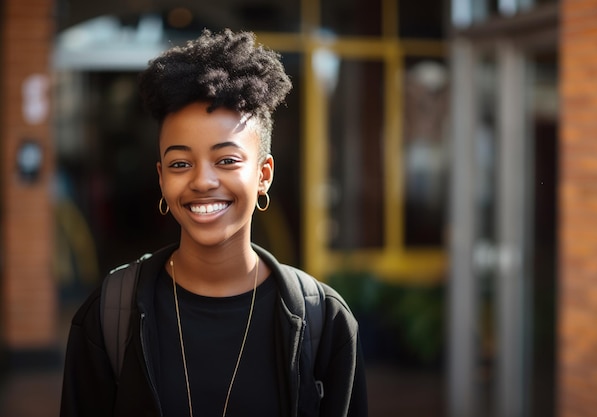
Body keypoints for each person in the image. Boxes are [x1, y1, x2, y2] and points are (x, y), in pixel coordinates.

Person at [60, 29, 368, 417]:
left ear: (264, 174)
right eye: (180, 163)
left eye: (226, 160)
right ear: (161, 177)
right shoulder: (109, 316)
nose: (203, 181)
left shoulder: (325, 324)